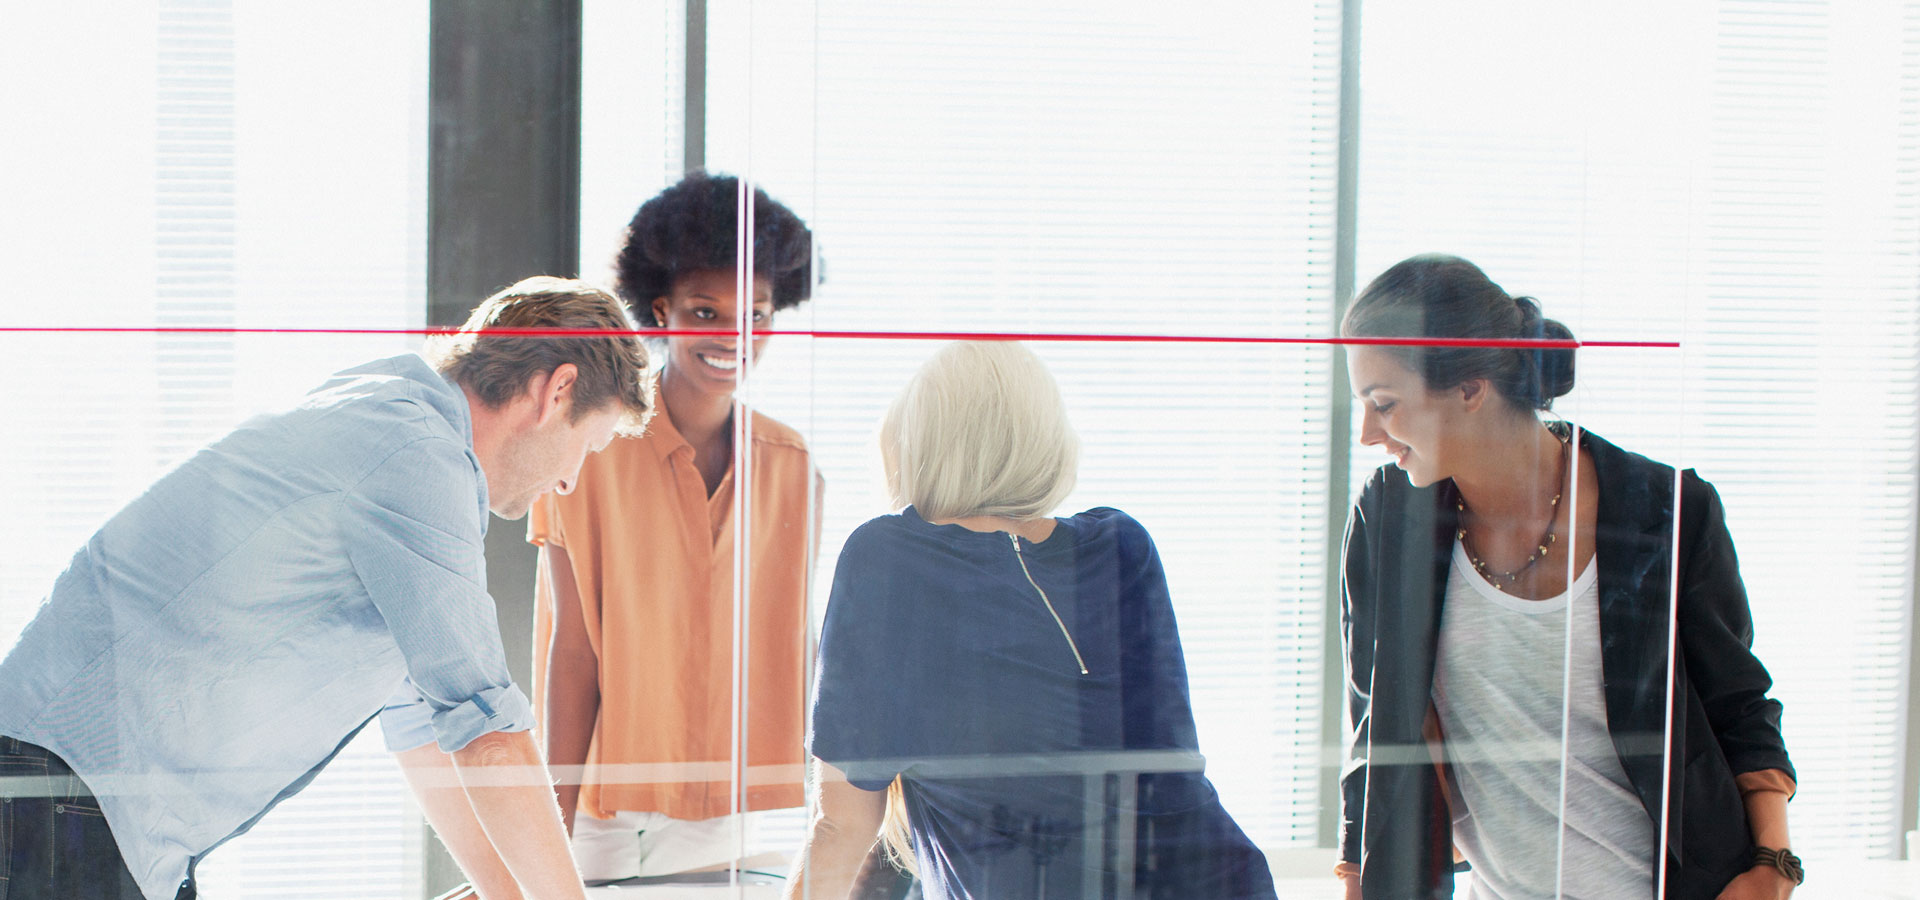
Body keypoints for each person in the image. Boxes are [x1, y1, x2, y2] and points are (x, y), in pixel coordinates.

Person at [0, 276, 653, 900]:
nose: (569, 481)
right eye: (587, 445)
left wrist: (505, 893)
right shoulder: (418, 459)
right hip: (65, 797)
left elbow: (423, 723)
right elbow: (490, 731)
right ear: (557, 391)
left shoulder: (386, 410)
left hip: (76, 796)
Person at [1336, 255, 1799, 900]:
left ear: (1470, 389)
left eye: (1384, 405)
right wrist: (1357, 880)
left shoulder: (1667, 512)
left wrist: (1774, 866)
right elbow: (1376, 726)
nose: (1367, 434)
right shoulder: (1389, 519)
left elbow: (1739, 706)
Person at [787, 341, 1278, 900]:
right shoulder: (1123, 544)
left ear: (916, 445)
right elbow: (1155, 775)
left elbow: (843, 825)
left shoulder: (887, 556)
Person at [531, 171, 821, 881]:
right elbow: (573, 653)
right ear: (661, 312)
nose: (731, 336)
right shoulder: (588, 449)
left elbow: (798, 645)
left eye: (755, 314)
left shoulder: (791, 465)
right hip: (605, 816)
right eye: (704, 311)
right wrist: (547, 840)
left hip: (738, 815)